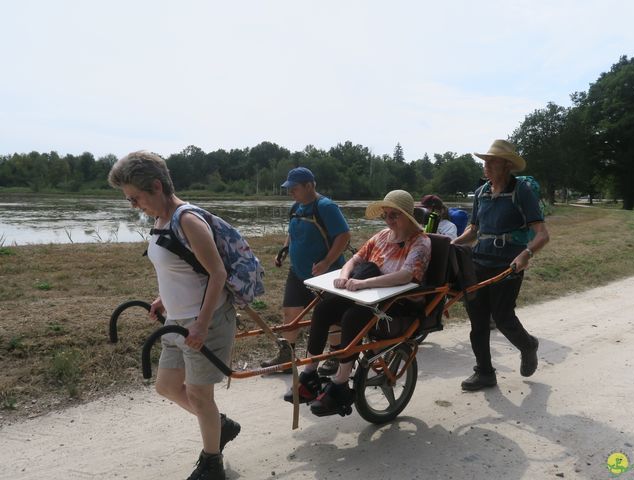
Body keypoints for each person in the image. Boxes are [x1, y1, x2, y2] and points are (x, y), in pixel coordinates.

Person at [108, 151, 240, 480]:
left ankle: (212, 463)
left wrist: (201, 324)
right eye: (129, 200)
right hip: (176, 320)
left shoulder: (188, 220)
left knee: (198, 393)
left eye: (136, 198)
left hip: (204, 322)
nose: (134, 206)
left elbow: (218, 275)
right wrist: (162, 299)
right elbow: (182, 269)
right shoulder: (160, 219)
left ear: (156, 186)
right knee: (166, 386)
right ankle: (219, 426)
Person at [284, 190, 431, 416]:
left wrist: (364, 283)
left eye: (394, 215)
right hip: (369, 296)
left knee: (351, 318)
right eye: (386, 215)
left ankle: (341, 384)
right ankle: (310, 374)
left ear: (407, 215)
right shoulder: (382, 236)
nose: (389, 220)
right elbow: (355, 259)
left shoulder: (421, 242)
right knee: (323, 309)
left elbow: (406, 275)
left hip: (398, 303)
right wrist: (345, 275)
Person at [452, 140, 550, 391]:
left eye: (491, 161)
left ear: (507, 165)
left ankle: (528, 346)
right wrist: (453, 242)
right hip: (479, 261)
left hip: (509, 264)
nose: (485, 166)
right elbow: (473, 230)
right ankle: (484, 373)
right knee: (478, 321)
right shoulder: (481, 192)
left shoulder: (521, 192)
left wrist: (526, 254)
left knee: (503, 317)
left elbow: (542, 234)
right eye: (484, 161)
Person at [260, 167, 351, 376]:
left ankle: (335, 355)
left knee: (330, 316)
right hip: (298, 272)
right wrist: (283, 250)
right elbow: (292, 233)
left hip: (327, 275)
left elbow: (344, 236)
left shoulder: (326, 207)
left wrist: (327, 262)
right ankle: (287, 357)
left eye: (294, 188)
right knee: (290, 312)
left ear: (309, 186)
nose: (290, 192)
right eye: (289, 188)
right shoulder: (296, 207)